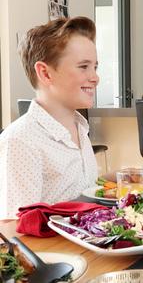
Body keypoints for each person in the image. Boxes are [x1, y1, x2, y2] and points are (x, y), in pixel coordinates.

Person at [0, 17, 99, 219]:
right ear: (45, 73)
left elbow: (77, 192)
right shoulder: (21, 140)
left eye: (95, 67)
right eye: (83, 67)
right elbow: (17, 231)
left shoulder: (80, 127)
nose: (95, 77)